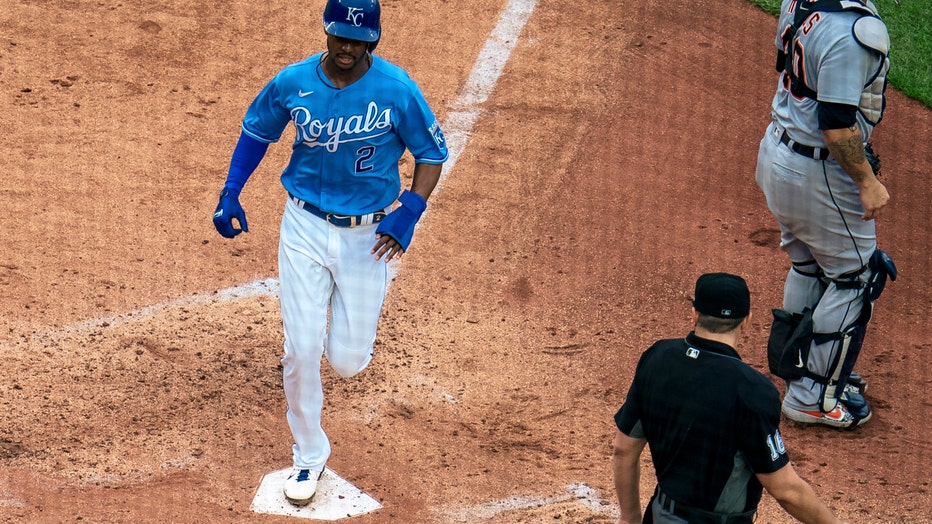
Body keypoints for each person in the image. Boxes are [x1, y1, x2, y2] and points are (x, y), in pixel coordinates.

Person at [211, 0, 448, 506]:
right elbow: (257, 131)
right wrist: (232, 189)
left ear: (374, 41)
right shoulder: (293, 82)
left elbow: (431, 154)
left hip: (370, 237)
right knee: (300, 349)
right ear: (327, 31)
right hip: (303, 225)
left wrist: (410, 209)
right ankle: (309, 454)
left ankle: (352, 346)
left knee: (344, 361)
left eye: (357, 40)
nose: (346, 47)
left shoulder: (396, 89)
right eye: (339, 36)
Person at [755, 0, 896, 428]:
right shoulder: (854, 33)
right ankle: (812, 395)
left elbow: (790, 66)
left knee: (810, 265)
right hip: (819, 172)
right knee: (858, 276)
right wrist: (867, 182)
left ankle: (804, 368)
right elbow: (836, 125)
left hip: (777, 154)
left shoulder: (800, 1)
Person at [612, 273, 847, 524]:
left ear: (694, 313)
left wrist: (629, 518)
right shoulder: (753, 390)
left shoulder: (657, 358)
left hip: (660, 515)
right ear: (746, 321)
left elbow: (623, 450)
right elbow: (786, 490)